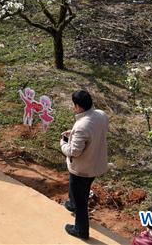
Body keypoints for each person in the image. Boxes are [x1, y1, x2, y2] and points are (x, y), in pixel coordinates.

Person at [60, 90, 110, 241]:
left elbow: (74, 151)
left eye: (74, 105)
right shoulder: (101, 114)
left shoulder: (81, 125)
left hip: (82, 169)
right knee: (83, 190)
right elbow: (95, 132)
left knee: (82, 200)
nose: (73, 108)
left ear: (79, 107)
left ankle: (81, 230)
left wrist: (63, 143)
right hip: (96, 164)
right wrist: (74, 135)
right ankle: (73, 204)